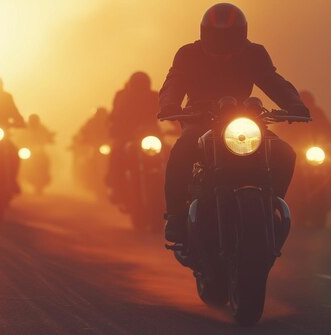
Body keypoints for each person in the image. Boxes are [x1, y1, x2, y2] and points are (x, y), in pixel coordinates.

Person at [158, 3, 311, 243]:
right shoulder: (188, 54)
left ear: (241, 34)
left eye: (229, 37)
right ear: (204, 34)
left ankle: (268, 208)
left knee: (284, 154)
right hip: (201, 120)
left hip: (245, 120)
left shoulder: (254, 54)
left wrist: (295, 104)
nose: (223, 43)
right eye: (216, 36)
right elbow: (173, 83)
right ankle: (176, 217)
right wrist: (169, 105)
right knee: (183, 150)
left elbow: (273, 81)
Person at [107, 72, 160, 201]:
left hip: (152, 136)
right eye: (137, 85)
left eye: (143, 85)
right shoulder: (122, 97)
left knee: (170, 152)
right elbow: (115, 115)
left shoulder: (154, 97)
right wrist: (115, 128)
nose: (140, 88)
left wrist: (178, 127)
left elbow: (167, 112)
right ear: (131, 86)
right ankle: (116, 188)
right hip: (127, 137)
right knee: (116, 153)